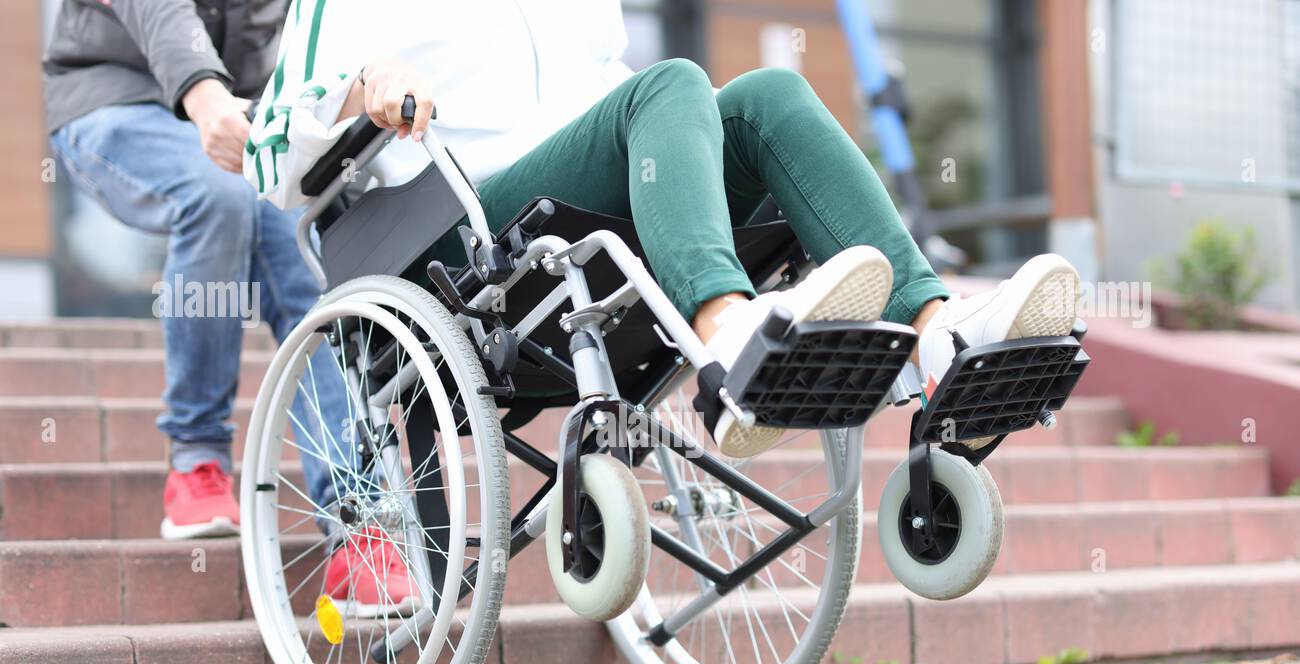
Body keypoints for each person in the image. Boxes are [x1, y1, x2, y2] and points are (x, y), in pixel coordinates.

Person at [247, 0, 1079, 458]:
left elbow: (619, 92)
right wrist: (361, 89)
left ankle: (936, 339)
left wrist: (692, 142)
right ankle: (728, 341)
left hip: (582, 218)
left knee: (766, 100)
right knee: (672, 82)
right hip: (452, 237)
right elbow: (265, 148)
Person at [44, 1, 410, 611]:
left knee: (304, 256)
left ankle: (357, 525)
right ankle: (196, 458)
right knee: (216, 198)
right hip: (111, 97)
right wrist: (202, 93)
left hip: (243, 109)